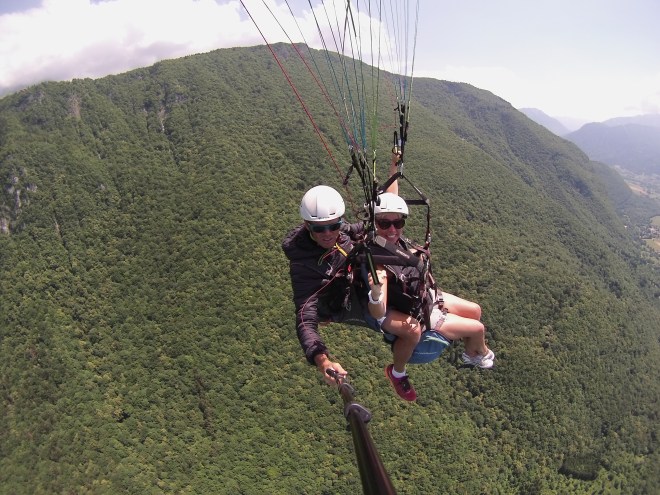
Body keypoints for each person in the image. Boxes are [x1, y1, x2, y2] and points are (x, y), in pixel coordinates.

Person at [282, 153, 401, 386]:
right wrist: (322, 360)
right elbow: (305, 318)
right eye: (319, 228)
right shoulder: (303, 265)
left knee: (382, 237)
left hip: (353, 282)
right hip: (342, 303)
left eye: (333, 225)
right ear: (307, 226)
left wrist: (394, 167)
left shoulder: (342, 231)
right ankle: (399, 367)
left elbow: (373, 223)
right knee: (411, 326)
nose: (328, 234)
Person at [366, 192, 495, 401]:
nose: (392, 229)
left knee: (475, 311)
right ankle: (399, 372)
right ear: (374, 223)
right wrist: (375, 292)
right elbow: (378, 313)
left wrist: (393, 171)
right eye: (384, 223)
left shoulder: (390, 239)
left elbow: (392, 197)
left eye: (398, 223)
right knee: (477, 329)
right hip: (415, 310)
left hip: (424, 294)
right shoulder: (379, 262)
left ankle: (471, 347)